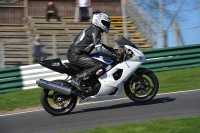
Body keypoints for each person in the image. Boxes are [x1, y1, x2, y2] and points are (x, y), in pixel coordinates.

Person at [67, 13, 123, 92]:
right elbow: (100, 49)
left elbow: (100, 45)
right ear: (99, 21)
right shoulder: (94, 30)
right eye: (105, 23)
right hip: (76, 55)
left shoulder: (94, 30)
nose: (107, 25)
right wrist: (114, 55)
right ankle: (77, 79)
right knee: (99, 65)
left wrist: (113, 50)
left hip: (77, 54)